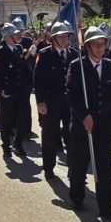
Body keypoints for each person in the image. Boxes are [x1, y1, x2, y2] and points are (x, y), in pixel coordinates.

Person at [66, 26, 111, 219]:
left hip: (104, 124)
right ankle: (77, 197)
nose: (99, 48)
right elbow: (72, 95)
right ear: (87, 46)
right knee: (79, 163)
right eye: (95, 44)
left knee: (104, 165)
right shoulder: (77, 66)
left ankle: (107, 207)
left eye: (102, 44)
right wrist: (84, 116)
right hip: (83, 124)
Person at [34, 21, 77, 180]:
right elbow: (38, 80)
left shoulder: (74, 54)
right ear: (53, 39)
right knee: (50, 136)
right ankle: (49, 168)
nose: (65, 39)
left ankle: (74, 169)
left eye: (66, 36)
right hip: (50, 102)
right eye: (61, 37)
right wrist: (40, 102)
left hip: (70, 102)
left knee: (72, 136)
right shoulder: (44, 54)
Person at [0, 23, 33, 159]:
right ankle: (6, 146)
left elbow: (24, 68)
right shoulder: (0, 51)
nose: (18, 36)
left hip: (21, 90)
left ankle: (18, 143)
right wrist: (1, 89)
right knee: (6, 121)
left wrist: (30, 84)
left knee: (22, 119)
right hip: (8, 91)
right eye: (15, 34)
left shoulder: (18, 48)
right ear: (8, 36)